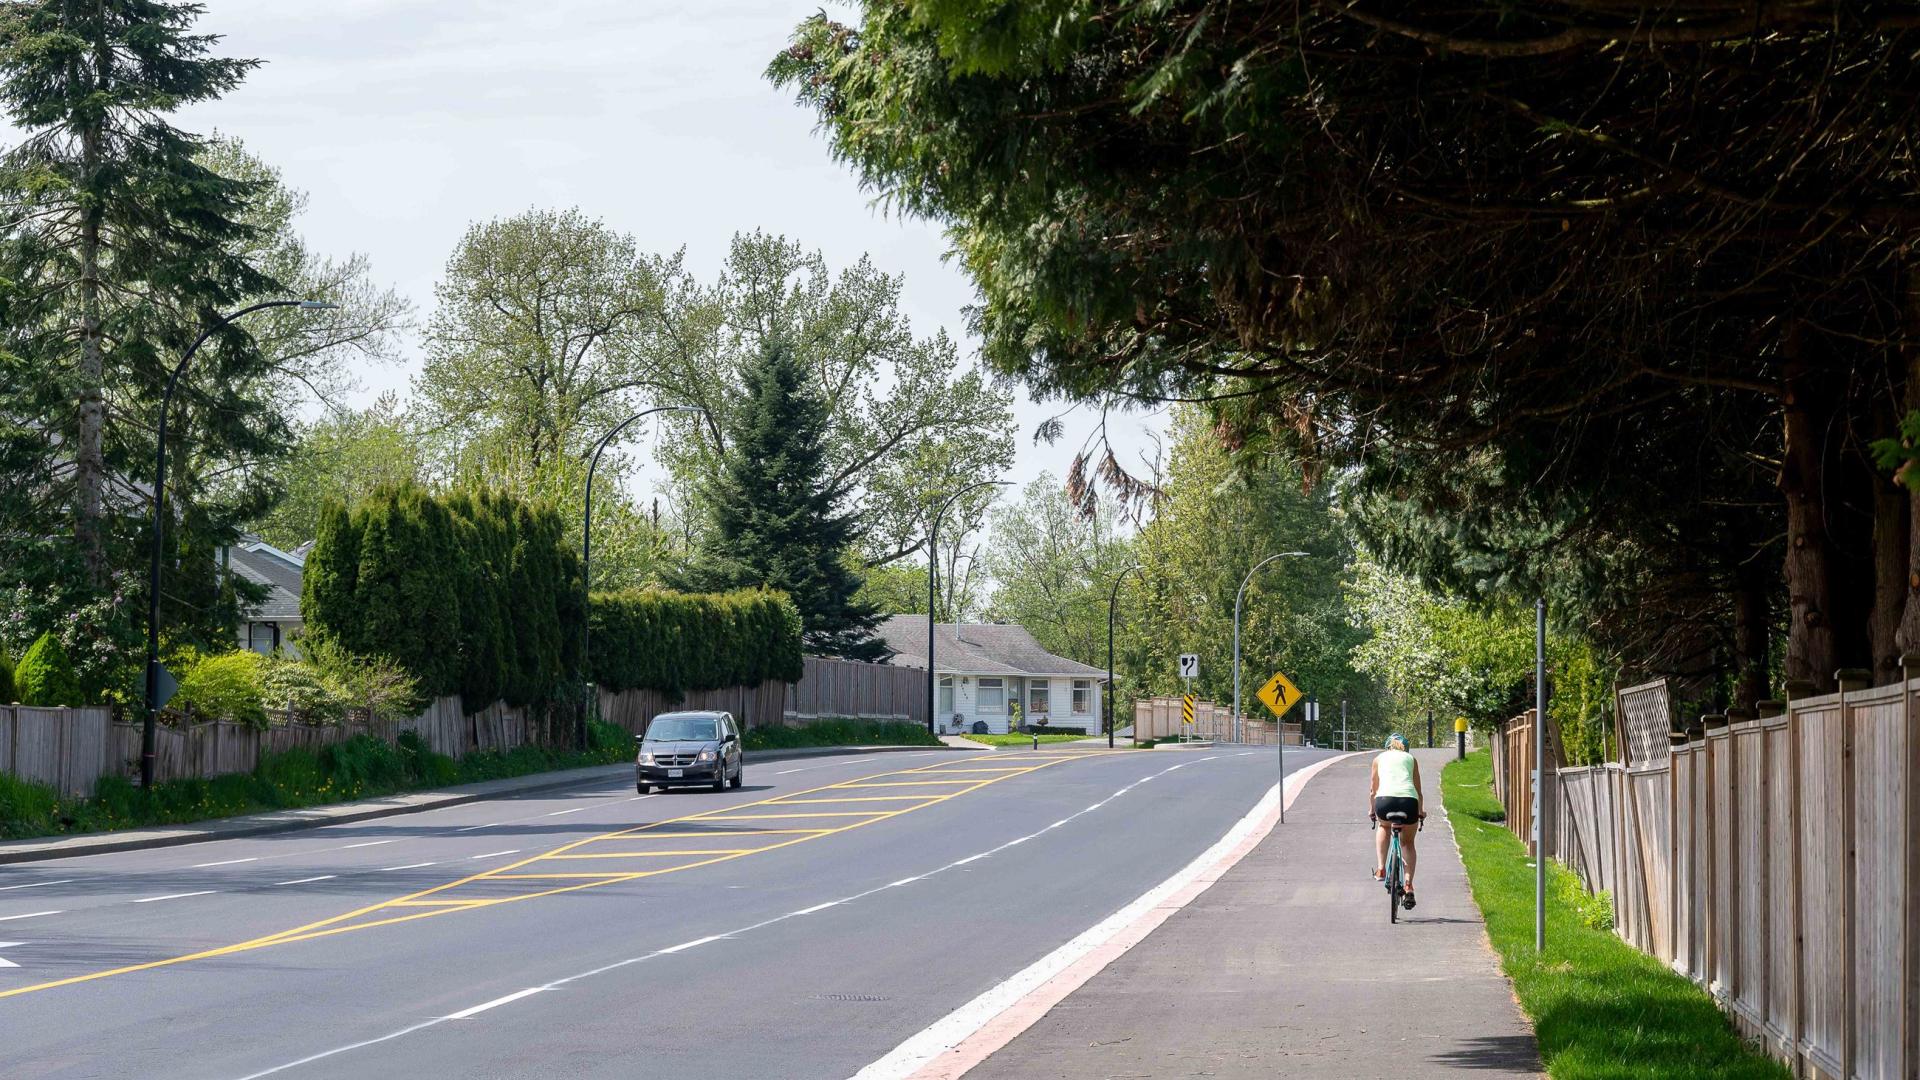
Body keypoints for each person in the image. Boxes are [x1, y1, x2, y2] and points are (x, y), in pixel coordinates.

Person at [1369, 732, 1426, 908]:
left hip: (1384, 802)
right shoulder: (1411, 759)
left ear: (1388, 747)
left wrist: (1372, 810)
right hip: (1408, 801)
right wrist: (1420, 811)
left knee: (1383, 826)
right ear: (1405, 748)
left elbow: (1373, 790)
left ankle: (1381, 868)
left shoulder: (1378, 759)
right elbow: (1418, 790)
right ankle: (1408, 885)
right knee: (1407, 843)